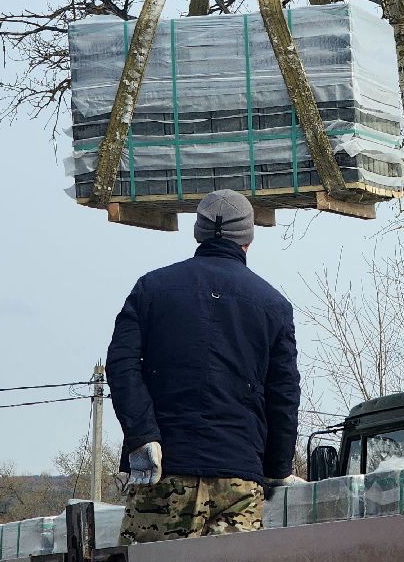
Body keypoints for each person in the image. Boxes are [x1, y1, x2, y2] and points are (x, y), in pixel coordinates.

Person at [106, 189, 300, 544]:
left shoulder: (150, 289)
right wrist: (275, 468)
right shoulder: (273, 305)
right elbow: (283, 396)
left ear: (198, 232)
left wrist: (143, 437)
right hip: (239, 478)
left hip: (165, 471)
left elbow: (121, 366)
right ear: (248, 238)